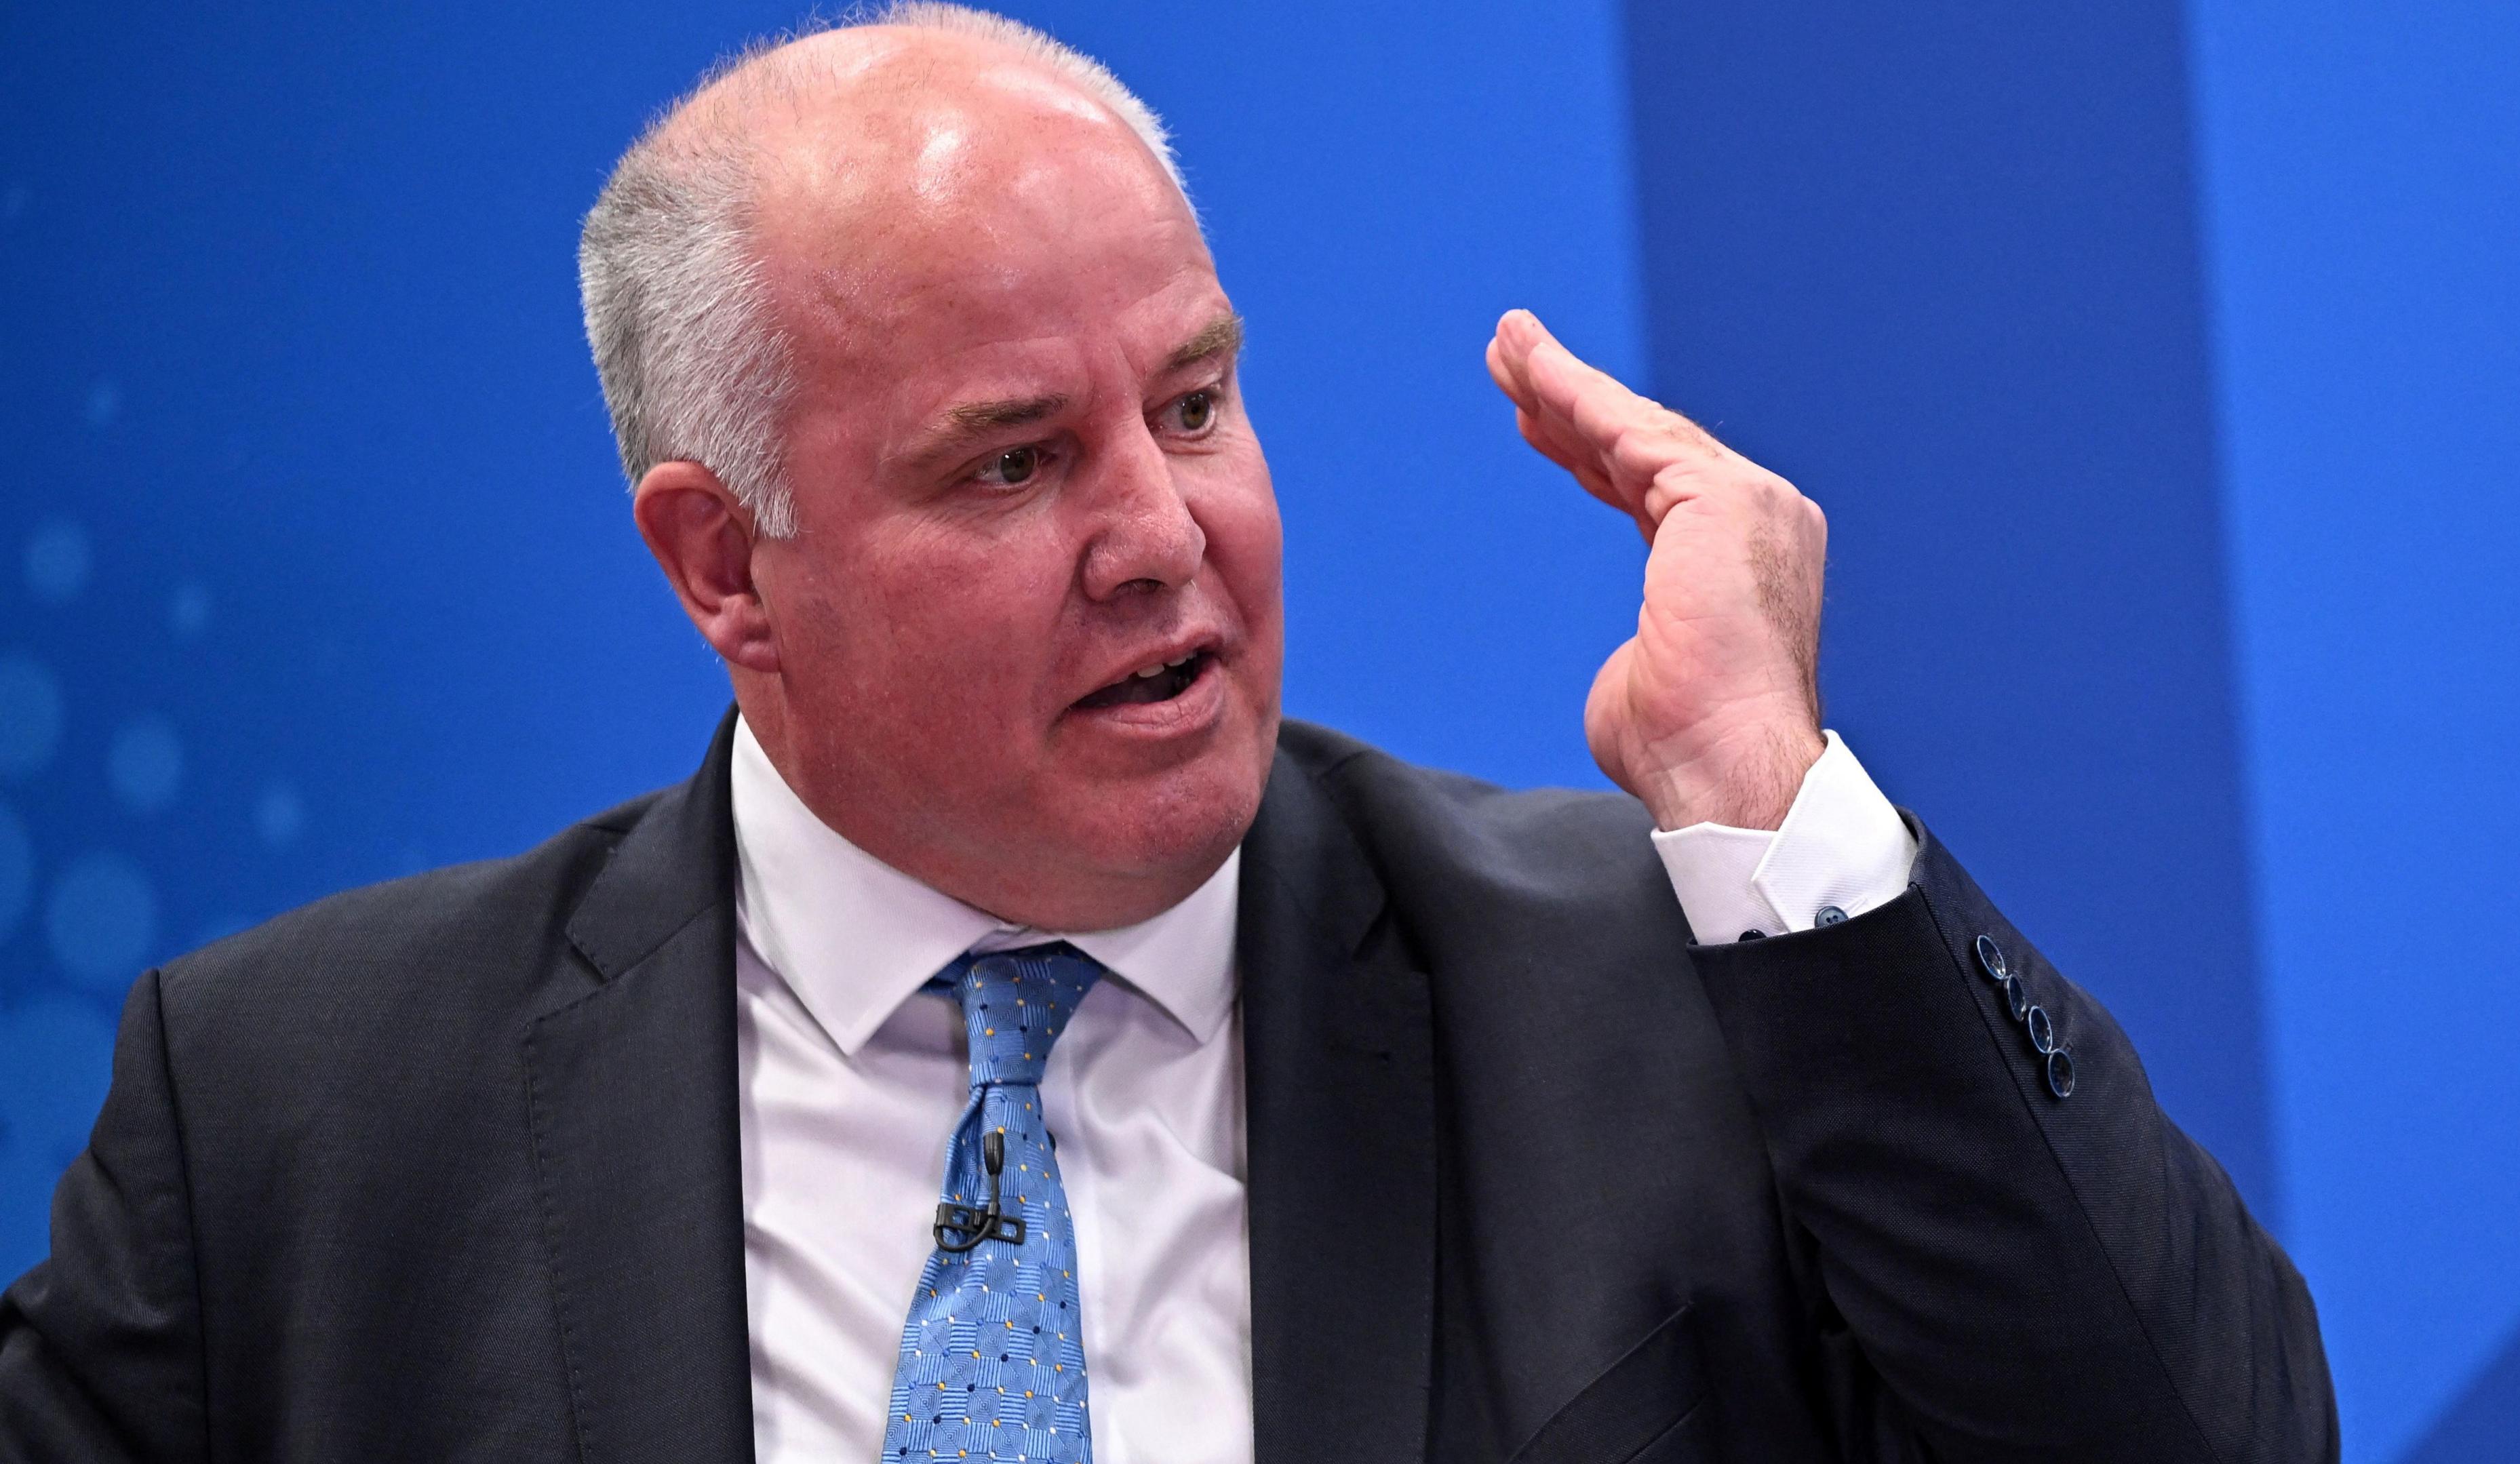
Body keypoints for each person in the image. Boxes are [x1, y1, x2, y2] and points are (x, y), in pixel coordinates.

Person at [0, 6, 2334, 1461]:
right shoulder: (298, 1115)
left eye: (1196, 403)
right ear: (724, 565)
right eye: (1014, 462)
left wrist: (1775, 815)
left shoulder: (1669, 993)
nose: (1165, 535)